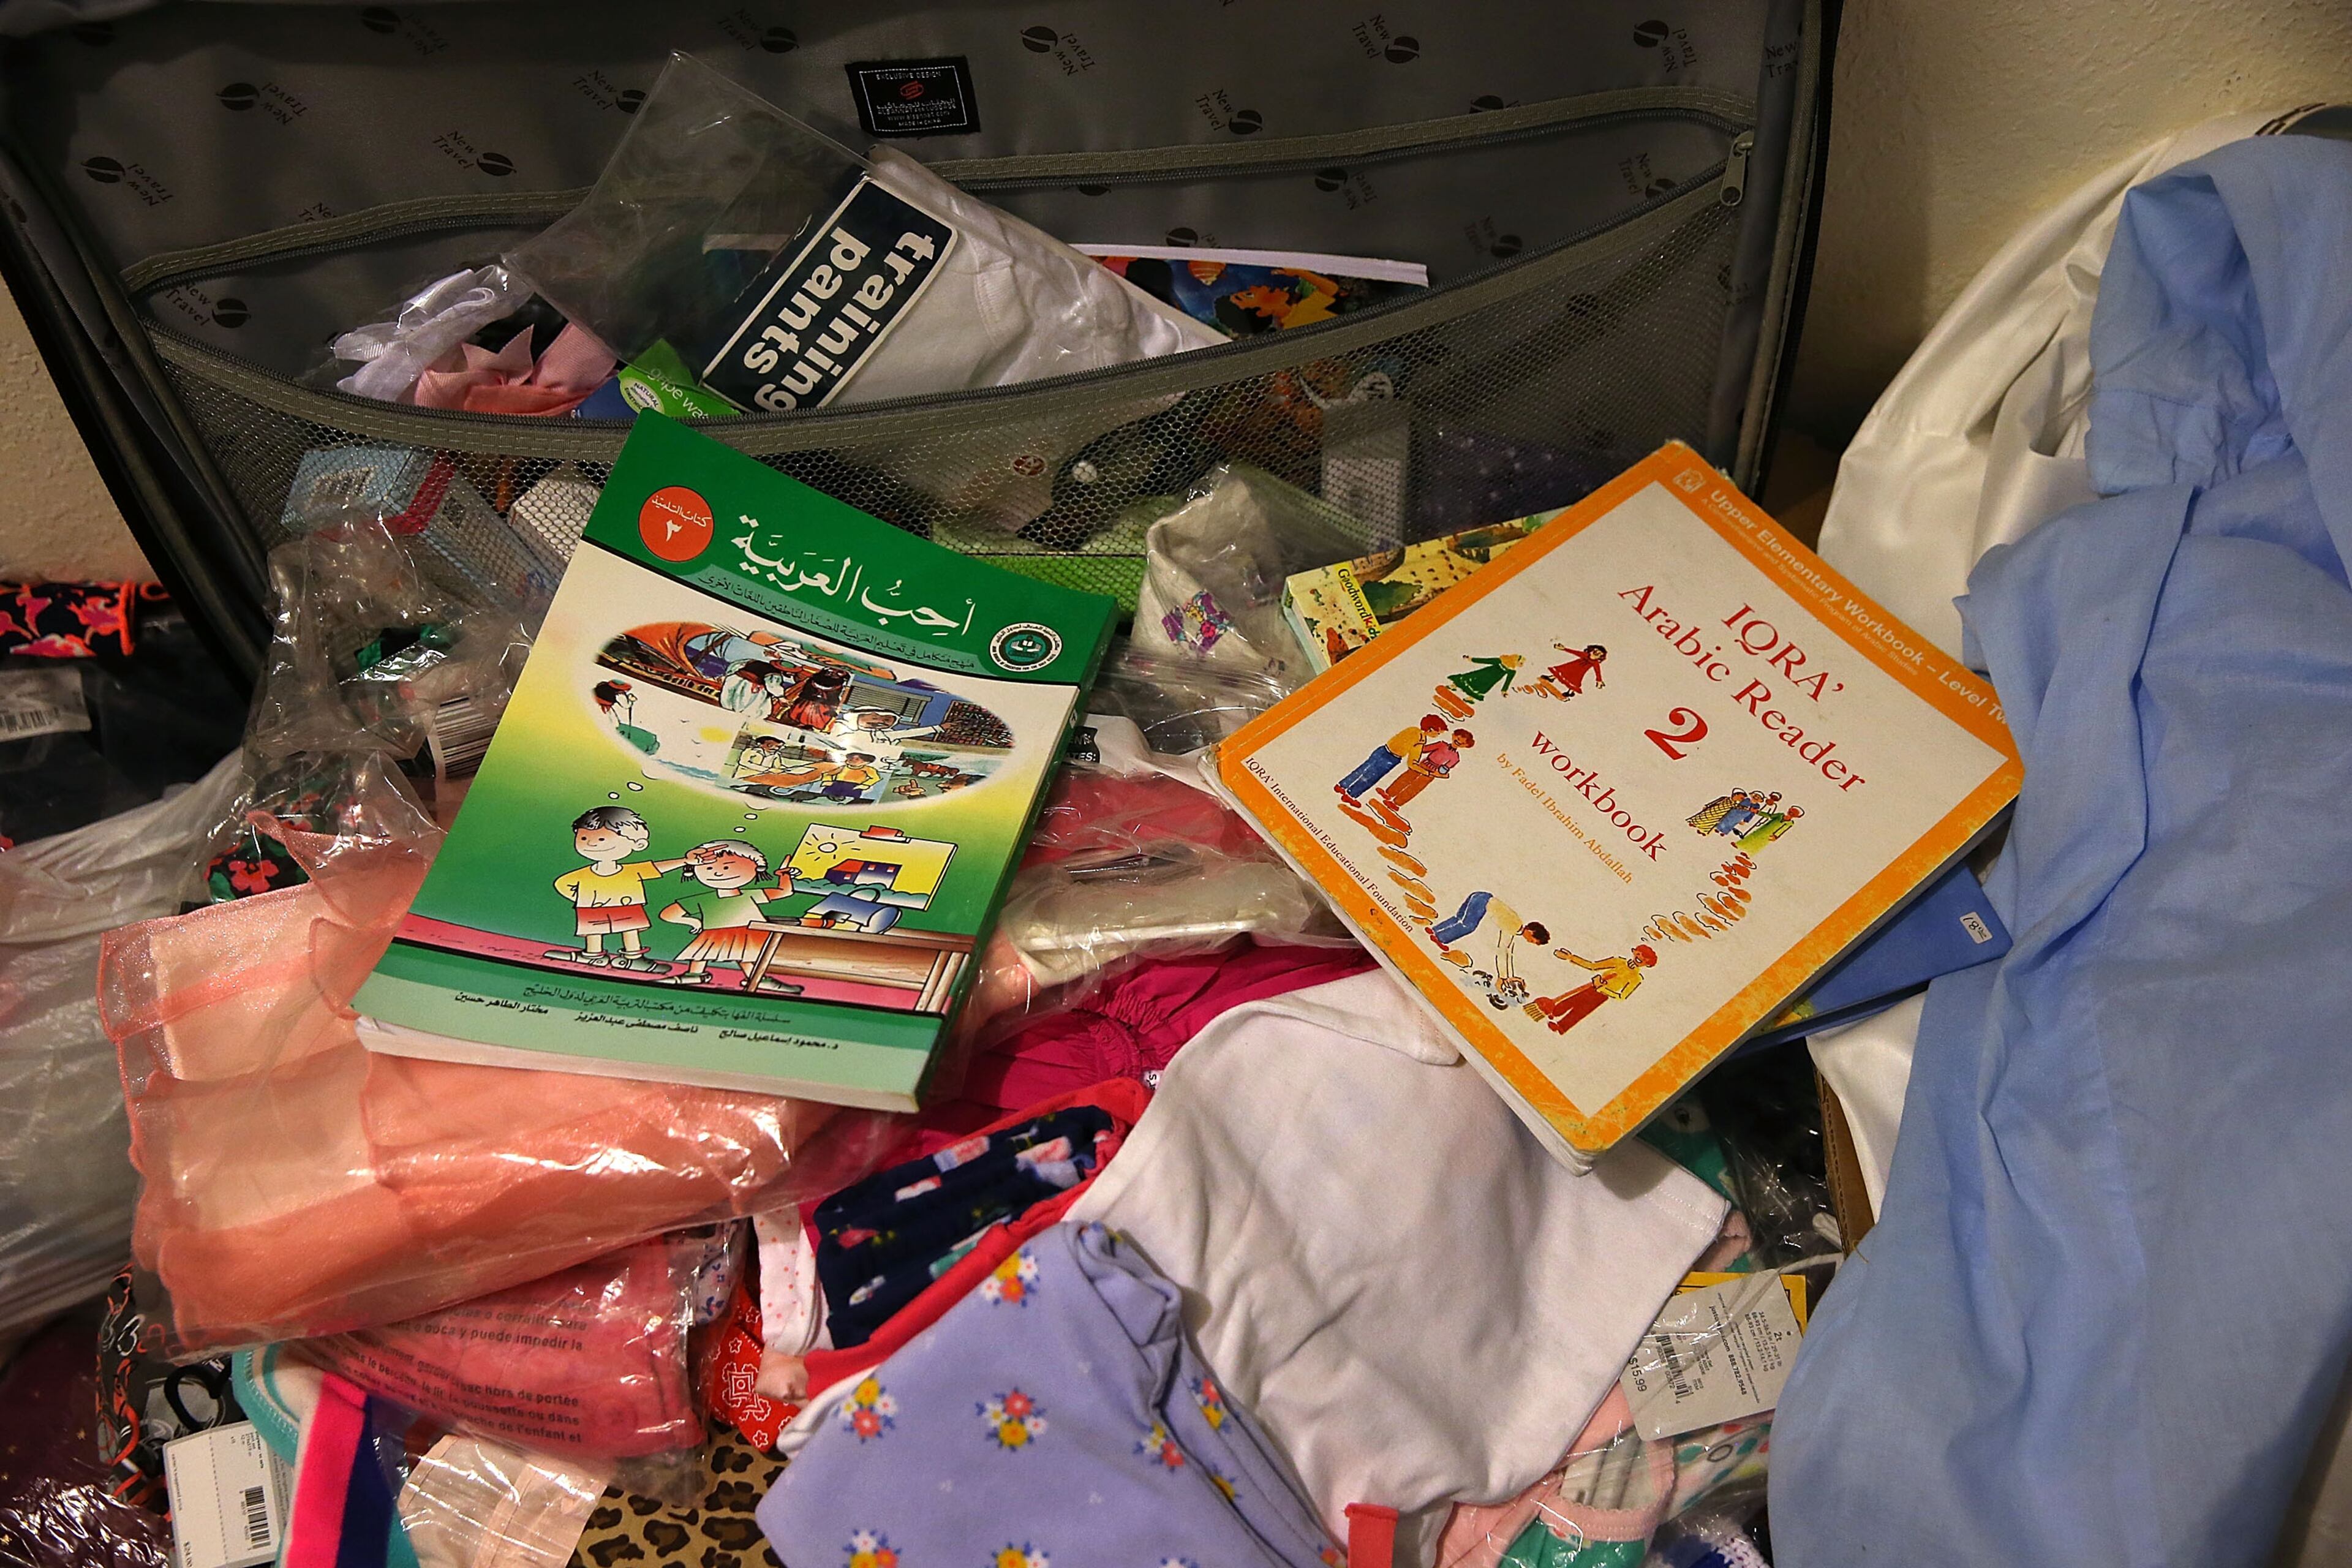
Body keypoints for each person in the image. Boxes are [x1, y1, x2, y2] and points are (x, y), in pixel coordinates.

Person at [548, 807, 687, 971]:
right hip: (592, 909)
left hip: (627, 907)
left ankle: (634, 957)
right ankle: (593, 955)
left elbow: (657, 868)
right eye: (584, 837)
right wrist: (582, 898)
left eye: (601, 839)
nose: (591, 843)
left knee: (630, 930)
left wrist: (684, 861)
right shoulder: (583, 875)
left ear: (637, 844)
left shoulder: (632, 871)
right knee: (594, 931)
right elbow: (562, 884)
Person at [657, 840, 801, 993]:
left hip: (749, 932)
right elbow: (668, 914)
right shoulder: (704, 899)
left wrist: (784, 874)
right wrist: (692, 921)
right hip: (714, 934)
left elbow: (784, 892)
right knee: (701, 955)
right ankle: (695, 975)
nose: (718, 873)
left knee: (747, 957)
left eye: (727, 867)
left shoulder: (751, 894)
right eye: (709, 868)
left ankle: (758, 979)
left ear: (756, 867)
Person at [1427, 891, 1549, 990]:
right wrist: (1503, 978)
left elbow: (1508, 953)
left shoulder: (1517, 926)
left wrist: (1509, 977)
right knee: (1468, 926)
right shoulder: (1514, 926)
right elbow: (1503, 951)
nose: (1531, 942)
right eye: (1534, 940)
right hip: (1482, 902)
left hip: (1481, 896)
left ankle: (1435, 931)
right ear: (1532, 932)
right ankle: (1440, 938)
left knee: (1459, 918)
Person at [1525, 944, 1656, 1035]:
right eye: (1640, 954)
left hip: (1602, 995)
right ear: (1634, 952)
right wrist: (1571, 958)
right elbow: (1593, 966)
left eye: (1645, 959)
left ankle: (1561, 1026)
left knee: (1581, 1011)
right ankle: (1555, 1011)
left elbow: (1622, 996)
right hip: (1592, 986)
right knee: (1573, 999)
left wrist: (1604, 988)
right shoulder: (1618, 961)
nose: (1641, 958)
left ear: (1647, 964)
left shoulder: (1636, 978)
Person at [1338, 714, 1447, 802]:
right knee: (1371, 778)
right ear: (1431, 729)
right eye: (1437, 733)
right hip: (1392, 759)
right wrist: (1428, 773)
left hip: (1383, 750)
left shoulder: (1412, 729)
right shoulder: (1421, 740)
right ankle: (1351, 795)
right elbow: (1412, 763)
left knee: (1364, 768)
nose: (1437, 736)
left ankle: (1342, 786)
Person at [1379, 728, 1475, 811]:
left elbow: (1446, 769)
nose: (1458, 742)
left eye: (1462, 743)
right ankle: (1389, 793)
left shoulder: (1455, 758)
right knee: (1406, 777)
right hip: (1424, 764)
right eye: (1458, 739)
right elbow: (1425, 749)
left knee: (1416, 788)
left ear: (1465, 746)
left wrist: (1439, 774)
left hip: (1433, 772)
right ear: (1454, 735)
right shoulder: (1442, 745)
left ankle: (1397, 803)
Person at [592, 680, 659, 755]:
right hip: (608, 718)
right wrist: (630, 700)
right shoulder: (619, 694)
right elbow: (626, 705)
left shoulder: (602, 687)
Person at [1533, 643, 1608, 701]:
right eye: (1595, 651)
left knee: (1575, 681)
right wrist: (1564, 649)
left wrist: (1599, 681)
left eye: (1599, 654)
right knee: (1563, 669)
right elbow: (1575, 652)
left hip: (1580, 671)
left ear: (1600, 657)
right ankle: (1552, 677)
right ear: (1591, 651)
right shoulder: (1585, 655)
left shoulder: (1596, 663)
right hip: (1573, 666)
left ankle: (1570, 692)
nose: (1596, 654)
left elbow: (1597, 672)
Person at [1446, 652, 1524, 704]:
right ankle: (1454, 686)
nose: (1521, 665)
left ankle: (1470, 698)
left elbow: (1508, 681)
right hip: (1485, 673)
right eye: (1520, 663)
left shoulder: (1512, 671)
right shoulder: (1500, 661)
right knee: (1470, 677)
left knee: (1482, 688)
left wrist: (1504, 691)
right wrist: (1471, 659)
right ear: (1515, 660)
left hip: (1492, 680)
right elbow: (1486, 661)